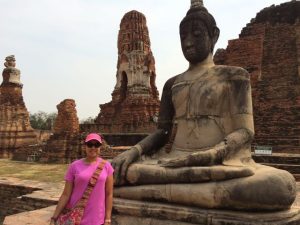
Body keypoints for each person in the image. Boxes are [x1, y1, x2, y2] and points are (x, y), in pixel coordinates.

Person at [111, 0, 296, 210]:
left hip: (217, 163)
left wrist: (211, 154)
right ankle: (195, 194)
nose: (188, 42)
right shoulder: (172, 84)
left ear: (214, 35)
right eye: (183, 37)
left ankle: (161, 194)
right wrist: (133, 151)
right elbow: (163, 132)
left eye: (197, 35)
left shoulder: (234, 76)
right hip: (173, 163)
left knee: (279, 186)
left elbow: (245, 131)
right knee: (112, 171)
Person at [50, 133, 114, 225]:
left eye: (96, 145)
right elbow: (66, 194)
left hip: (97, 217)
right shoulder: (74, 166)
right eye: (90, 144)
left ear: (100, 147)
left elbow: (109, 194)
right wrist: (54, 217)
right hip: (75, 217)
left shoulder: (107, 166)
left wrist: (108, 218)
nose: (93, 147)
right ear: (85, 146)